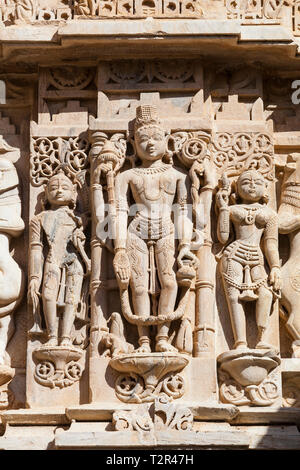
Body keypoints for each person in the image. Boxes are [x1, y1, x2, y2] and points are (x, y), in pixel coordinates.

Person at [216, 169, 281, 349]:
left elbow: (270, 244)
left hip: (256, 257)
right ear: (236, 190)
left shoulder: (270, 214)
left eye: (257, 182)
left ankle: (261, 339)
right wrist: (222, 208)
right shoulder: (232, 209)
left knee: (266, 294)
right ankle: (241, 342)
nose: (252, 186)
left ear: (265, 189)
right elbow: (222, 237)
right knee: (234, 298)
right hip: (233, 255)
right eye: (245, 182)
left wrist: (275, 267)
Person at [28, 170, 90, 347]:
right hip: (52, 259)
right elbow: (35, 249)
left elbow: (95, 215)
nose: (59, 191)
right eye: (54, 187)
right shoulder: (39, 219)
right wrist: (34, 276)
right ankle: (52, 335)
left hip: (74, 261)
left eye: (65, 187)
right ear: (46, 193)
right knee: (48, 294)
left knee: (72, 298)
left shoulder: (79, 219)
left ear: (73, 194)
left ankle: (66, 337)